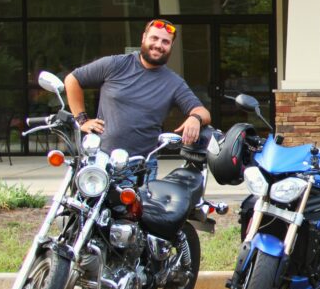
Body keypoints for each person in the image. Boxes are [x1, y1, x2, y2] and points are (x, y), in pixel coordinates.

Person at [64, 18, 211, 181]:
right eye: (154, 38)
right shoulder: (115, 64)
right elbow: (72, 80)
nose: (158, 45)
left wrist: (195, 118)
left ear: (171, 46)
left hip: (141, 167)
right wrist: (82, 120)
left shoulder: (174, 83)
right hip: (101, 161)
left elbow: (202, 111)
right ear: (143, 38)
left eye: (165, 42)